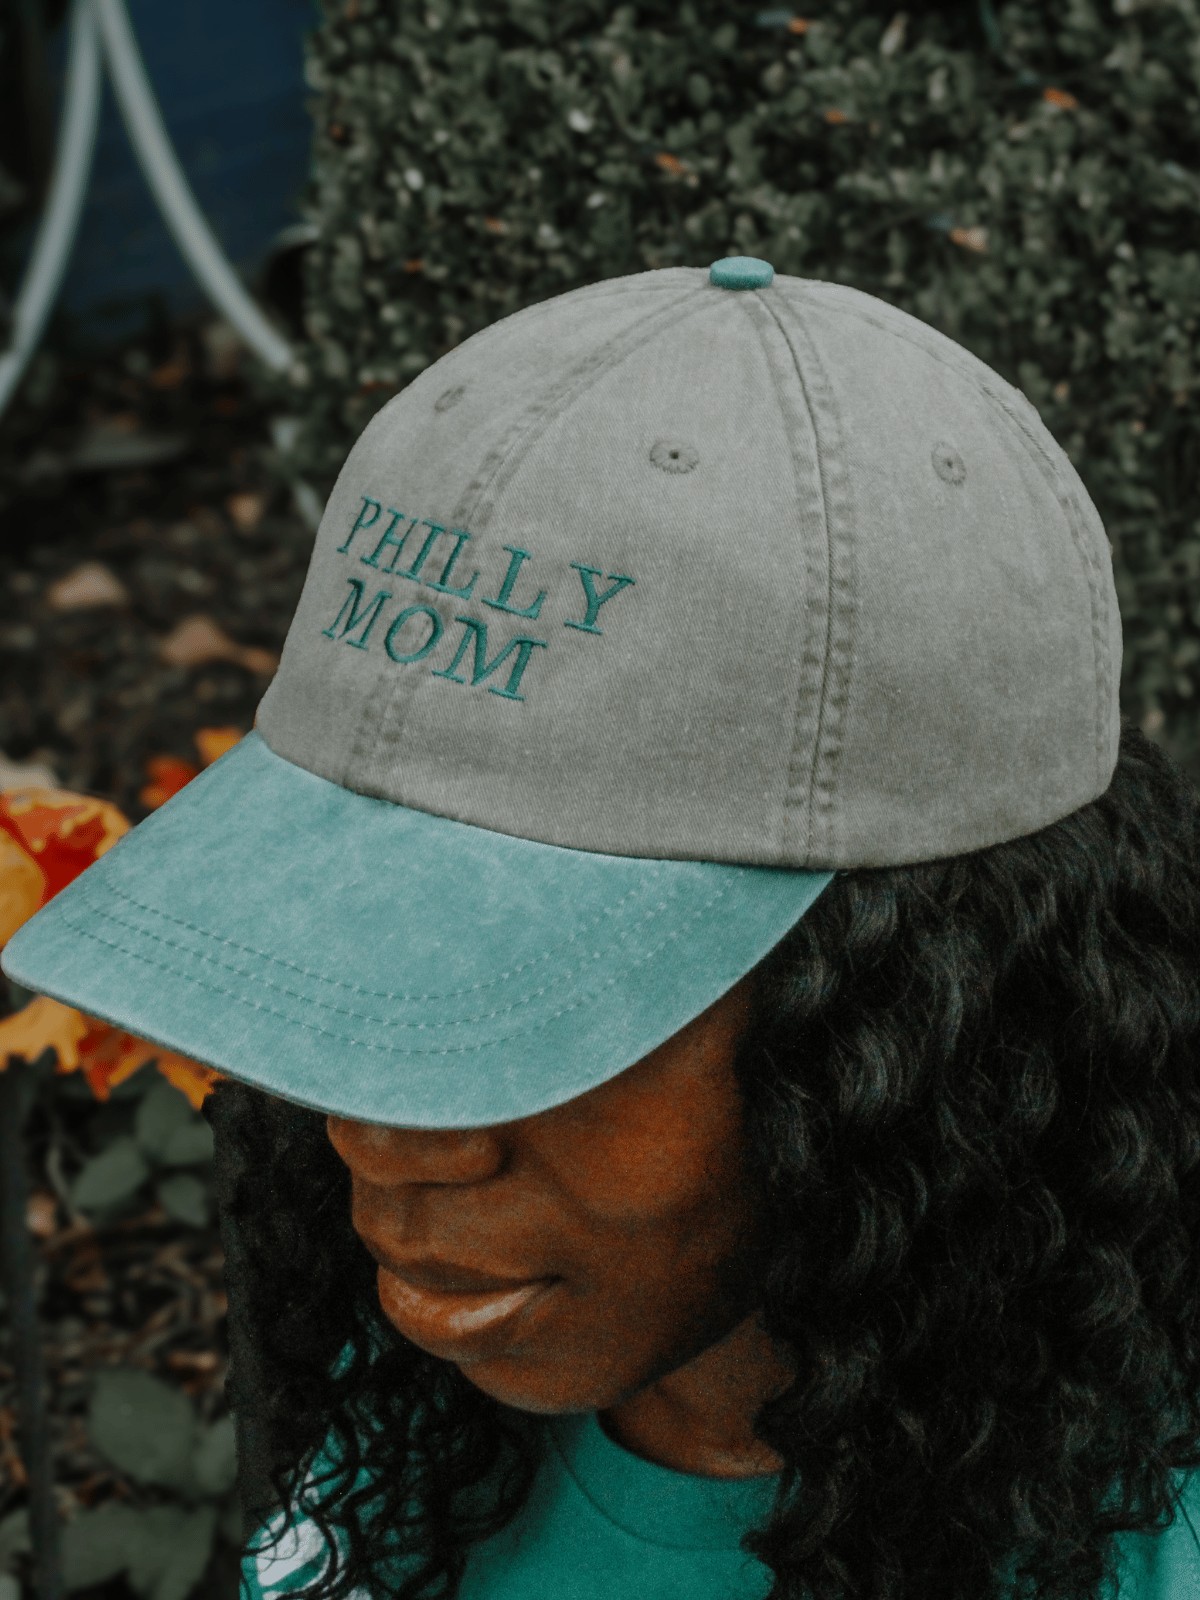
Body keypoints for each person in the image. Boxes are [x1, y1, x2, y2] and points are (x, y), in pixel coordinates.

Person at [7, 258, 1200, 1600]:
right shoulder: (408, 1429)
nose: (385, 1138)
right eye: (354, 965)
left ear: (935, 1017)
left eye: (545, 1003)